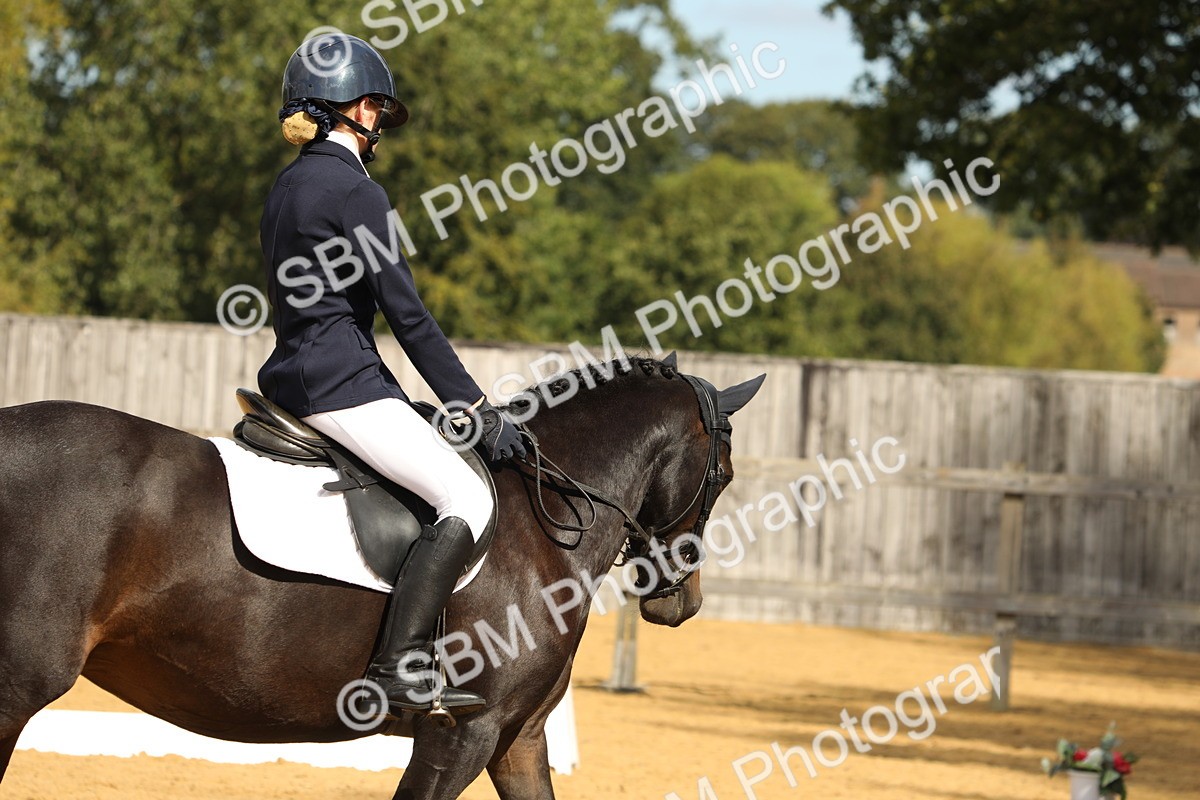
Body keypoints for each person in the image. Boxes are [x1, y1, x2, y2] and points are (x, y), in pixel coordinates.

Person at [258, 33, 525, 718]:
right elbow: (408, 316)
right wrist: (473, 405)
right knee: (467, 496)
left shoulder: (288, 185)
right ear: (353, 108)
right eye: (375, 108)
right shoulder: (355, 192)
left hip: (293, 377)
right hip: (342, 385)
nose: (380, 124)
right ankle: (397, 668)